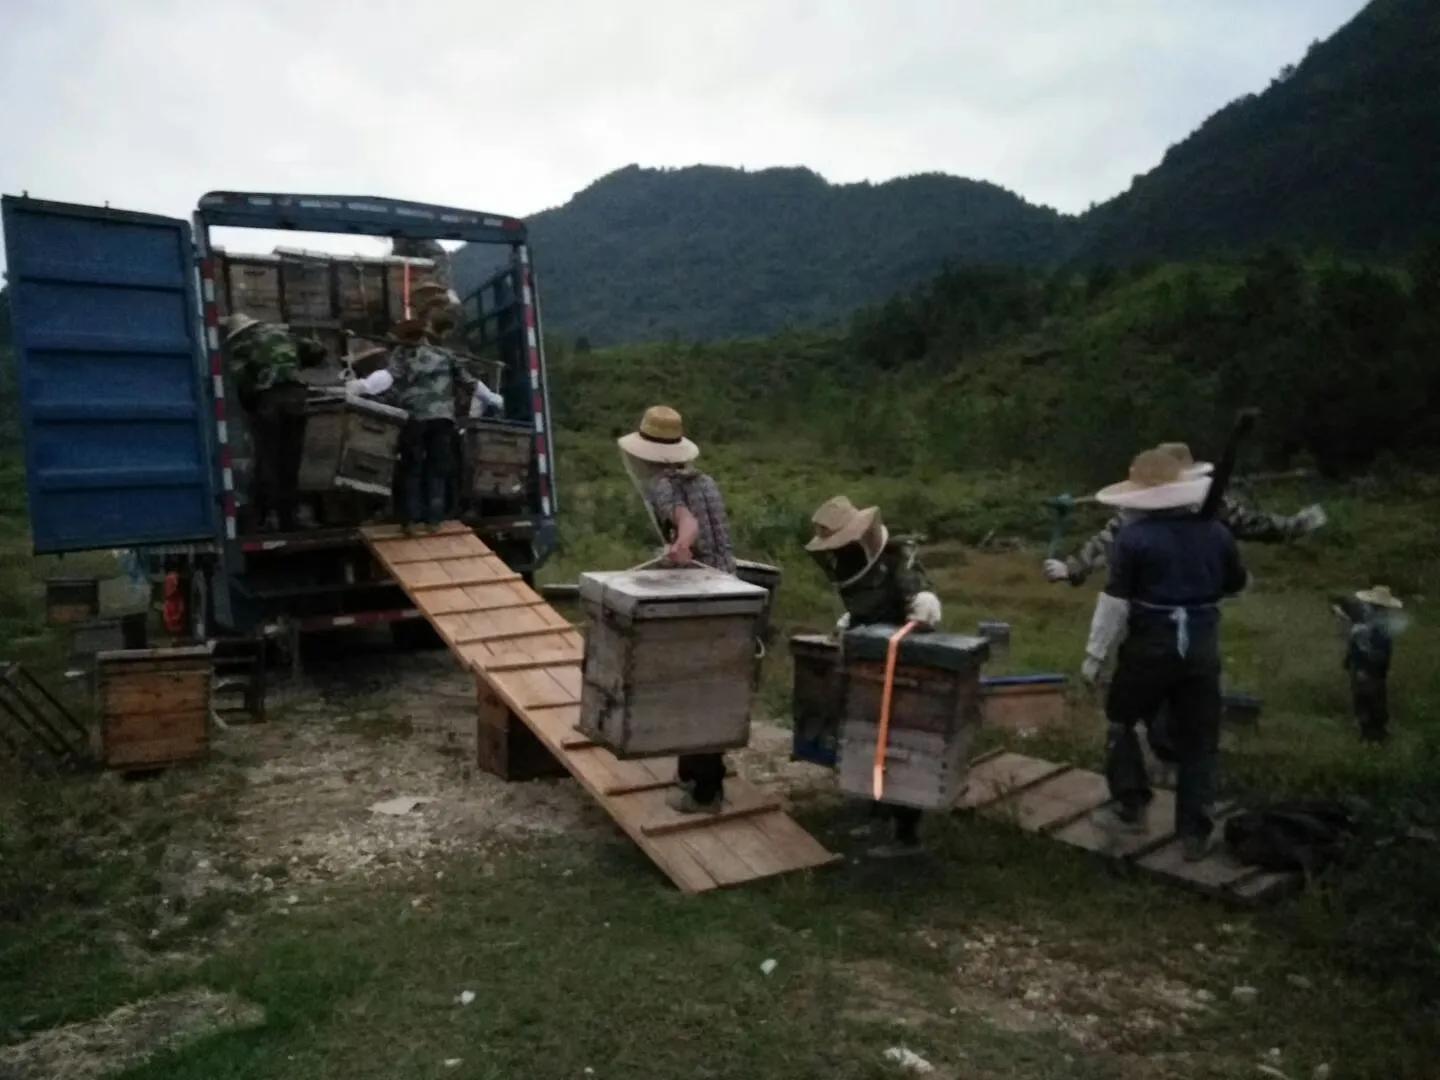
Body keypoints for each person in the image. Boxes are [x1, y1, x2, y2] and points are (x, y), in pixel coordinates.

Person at [1080, 449, 1248, 861]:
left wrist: (1095, 655)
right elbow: (1236, 584)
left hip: (1150, 645)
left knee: (1121, 721)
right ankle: (1195, 831)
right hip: (1202, 645)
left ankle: (1131, 805)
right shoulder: (1217, 533)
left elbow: (1115, 601)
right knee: (1200, 739)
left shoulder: (1133, 538)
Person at [806, 495, 942, 858]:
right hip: (870, 662)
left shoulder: (899, 560)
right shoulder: (850, 562)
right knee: (868, 739)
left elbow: (923, 606)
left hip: (906, 664)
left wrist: (922, 608)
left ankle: (907, 835)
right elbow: (864, 609)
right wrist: (850, 624)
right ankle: (878, 815)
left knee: (902, 746)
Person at [617, 405, 736, 815]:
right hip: (730, 589)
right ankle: (699, 771)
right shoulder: (705, 481)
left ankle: (704, 788)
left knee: (692, 686)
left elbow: (688, 523)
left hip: (701, 593)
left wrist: (682, 545)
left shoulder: (662, 486)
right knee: (715, 683)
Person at [1044, 442, 1325, 586]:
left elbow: (1251, 524)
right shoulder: (1136, 508)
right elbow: (1108, 539)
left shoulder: (1210, 502)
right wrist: (1071, 568)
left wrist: (1294, 526)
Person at [346, 318, 477, 532]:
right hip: (442, 419)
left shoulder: (402, 354)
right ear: (424, 335)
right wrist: (471, 403)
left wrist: (359, 387)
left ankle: (410, 520)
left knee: (412, 467)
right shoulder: (446, 355)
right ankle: (434, 520)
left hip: (415, 419)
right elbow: (469, 383)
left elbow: (388, 379)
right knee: (436, 468)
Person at [222, 314, 326, 532]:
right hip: (296, 399)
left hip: (269, 402)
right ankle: (289, 519)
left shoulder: (242, 345)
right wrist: (292, 365)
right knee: (290, 461)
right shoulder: (284, 335)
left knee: (267, 459)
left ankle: (263, 518)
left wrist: (250, 406)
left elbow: (242, 381)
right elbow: (317, 351)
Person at [1331, 585, 1403, 743]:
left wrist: (1361, 664)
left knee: (1367, 701)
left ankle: (1372, 735)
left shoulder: (1374, 625)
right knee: (1371, 701)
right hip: (1371, 669)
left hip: (1367, 669)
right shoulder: (1377, 622)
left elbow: (1369, 650)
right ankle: (1374, 735)